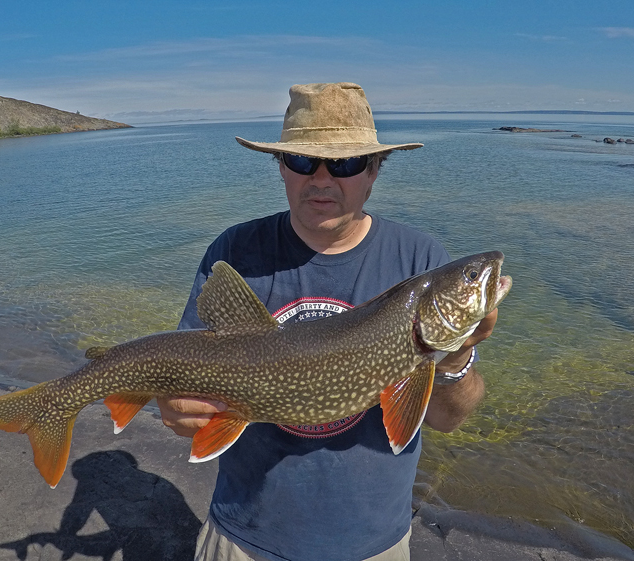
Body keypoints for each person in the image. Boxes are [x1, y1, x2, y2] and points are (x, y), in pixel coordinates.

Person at [157, 82, 498, 561]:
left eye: (343, 164)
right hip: (243, 536)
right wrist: (173, 409)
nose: (321, 179)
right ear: (280, 167)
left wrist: (456, 355)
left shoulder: (421, 259)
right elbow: (184, 386)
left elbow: (446, 419)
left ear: (375, 170)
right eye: (301, 161)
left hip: (373, 545)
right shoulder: (235, 253)